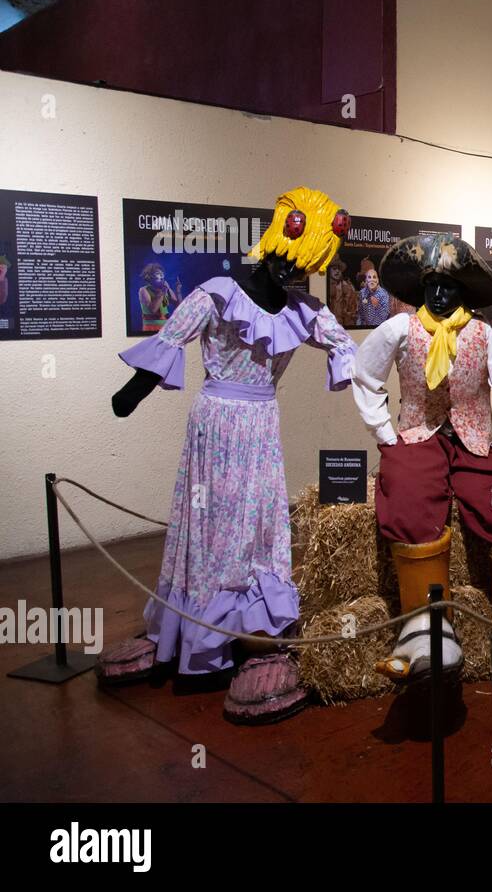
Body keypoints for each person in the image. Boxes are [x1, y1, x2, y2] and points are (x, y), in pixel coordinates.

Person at [95, 187, 356, 724]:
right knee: (212, 527)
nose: (291, 269)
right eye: (290, 255)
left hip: (261, 427)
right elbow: (170, 339)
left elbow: (348, 346)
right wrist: (131, 394)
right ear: (275, 239)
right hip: (216, 425)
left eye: (305, 263)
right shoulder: (217, 294)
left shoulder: (303, 311)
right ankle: (203, 641)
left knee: (259, 526)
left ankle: (248, 628)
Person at [354, 235, 492, 683]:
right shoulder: (399, 329)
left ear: (463, 291)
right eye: (431, 284)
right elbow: (366, 374)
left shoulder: (484, 334)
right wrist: (386, 435)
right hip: (418, 435)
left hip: (474, 438)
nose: (438, 293)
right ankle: (424, 624)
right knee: (408, 494)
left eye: (449, 286)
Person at [137, 263, 183, 333]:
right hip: (151, 328)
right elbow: (153, 310)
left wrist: (178, 290)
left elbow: (179, 306)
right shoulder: (144, 290)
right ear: (150, 278)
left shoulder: (165, 289)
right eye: (158, 275)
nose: (161, 278)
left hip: (165, 328)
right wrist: (162, 292)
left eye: (162, 277)